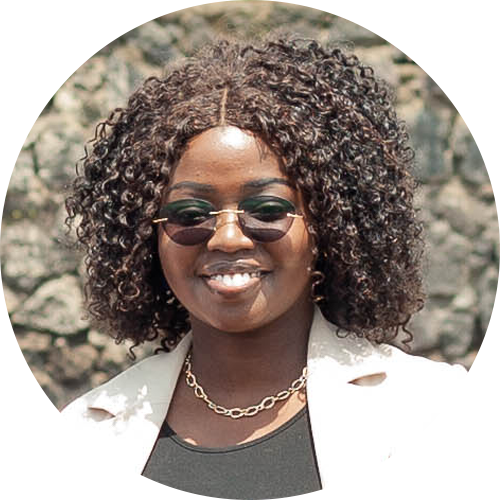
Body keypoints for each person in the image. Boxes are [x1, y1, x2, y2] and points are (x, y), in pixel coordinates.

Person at [59, 34, 468, 492]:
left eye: (268, 210)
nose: (228, 237)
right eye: (189, 215)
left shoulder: (430, 410)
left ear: (326, 223)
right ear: (147, 238)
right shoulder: (85, 434)